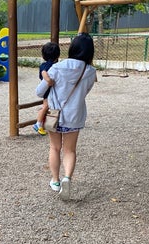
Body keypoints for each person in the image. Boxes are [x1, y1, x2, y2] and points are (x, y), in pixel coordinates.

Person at [35, 33, 96, 199]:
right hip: (75, 115)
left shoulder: (57, 68)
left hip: (54, 115)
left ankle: (55, 180)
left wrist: (49, 83)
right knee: (70, 150)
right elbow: (85, 92)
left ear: (73, 48)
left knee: (55, 147)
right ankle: (67, 177)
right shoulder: (90, 71)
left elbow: (39, 91)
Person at [33, 42, 60, 136]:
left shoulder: (44, 64)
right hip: (48, 90)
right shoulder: (48, 65)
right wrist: (49, 80)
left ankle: (42, 123)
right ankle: (38, 123)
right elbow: (44, 73)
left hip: (47, 89)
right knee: (45, 106)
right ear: (58, 55)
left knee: (47, 106)